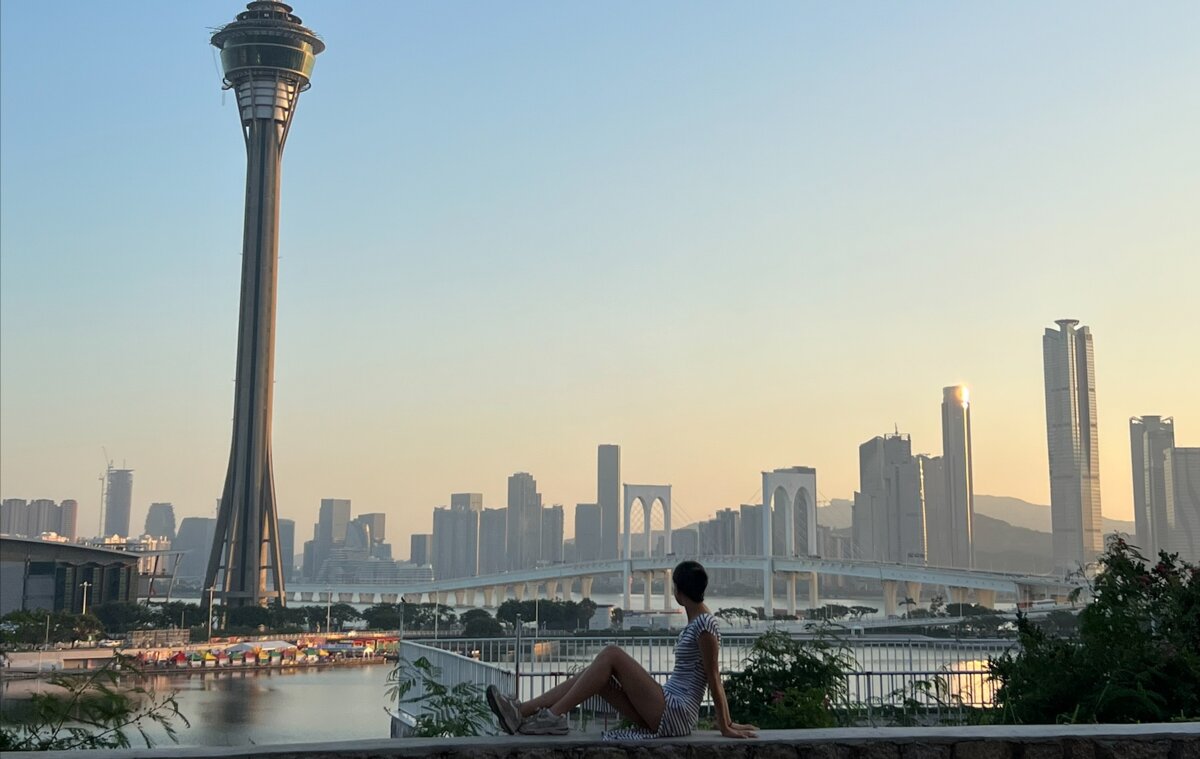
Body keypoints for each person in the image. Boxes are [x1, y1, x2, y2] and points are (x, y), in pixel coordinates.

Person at [486, 560, 757, 740]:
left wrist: (725, 725)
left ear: (677, 591)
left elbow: (714, 676)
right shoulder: (697, 621)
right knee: (594, 677)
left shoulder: (705, 625)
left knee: (612, 653)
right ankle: (522, 711)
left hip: (677, 713)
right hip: (667, 707)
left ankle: (552, 717)